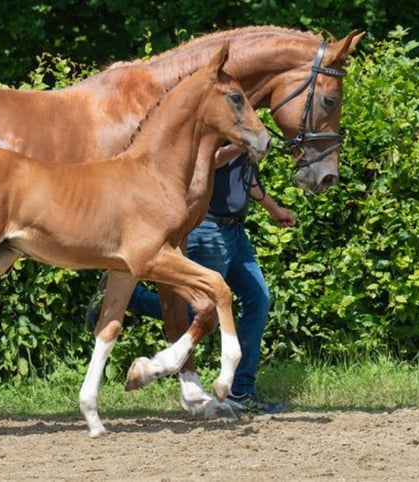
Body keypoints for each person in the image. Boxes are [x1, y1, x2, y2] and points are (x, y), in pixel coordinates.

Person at [86, 143, 295, 414]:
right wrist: (240, 145)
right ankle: (127, 297)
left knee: (258, 299)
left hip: (236, 231)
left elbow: (246, 176)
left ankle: (242, 389)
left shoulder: (247, 127)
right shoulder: (226, 122)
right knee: (201, 311)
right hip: (208, 227)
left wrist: (273, 208)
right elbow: (208, 160)